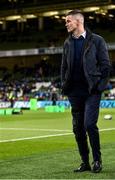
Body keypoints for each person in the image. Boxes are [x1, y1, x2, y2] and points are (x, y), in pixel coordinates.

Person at [61, 9, 111, 173]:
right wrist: (64, 85)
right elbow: (64, 67)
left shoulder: (97, 40)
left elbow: (106, 66)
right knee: (78, 130)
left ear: (78, 21)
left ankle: (97, 160)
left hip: (92, 91)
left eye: (68, 21)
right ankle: (85, 162)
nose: (66, 24)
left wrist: (99, 86)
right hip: (74, 93)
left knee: (89, 125)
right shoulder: (67, 43)